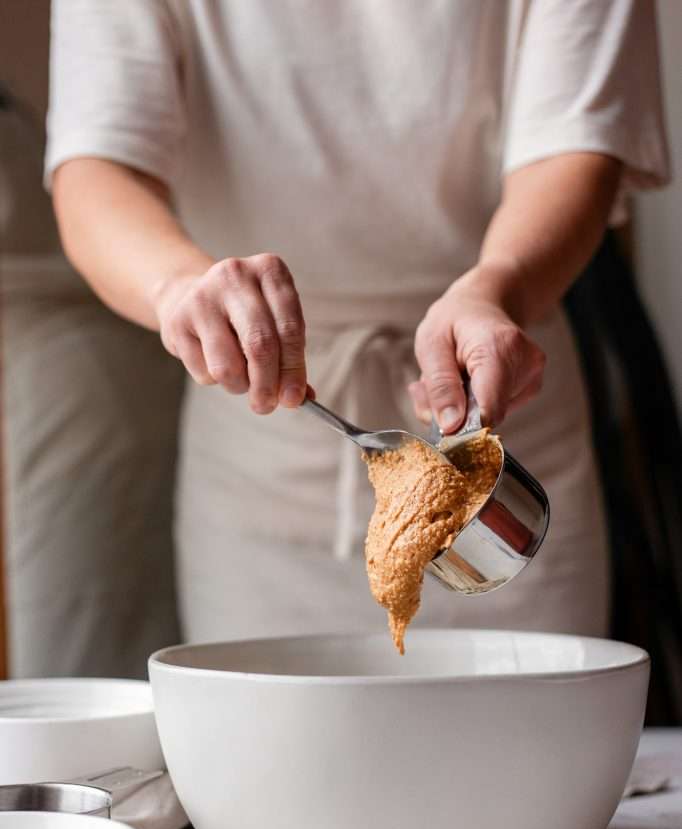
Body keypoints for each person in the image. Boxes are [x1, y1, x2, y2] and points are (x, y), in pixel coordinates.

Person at [46, 0, 669, 644]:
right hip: (263, 474)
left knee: (533, 736)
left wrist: (495, 287)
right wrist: (180, 288)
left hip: (494, 434)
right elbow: (98, 165)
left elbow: (577, 148)